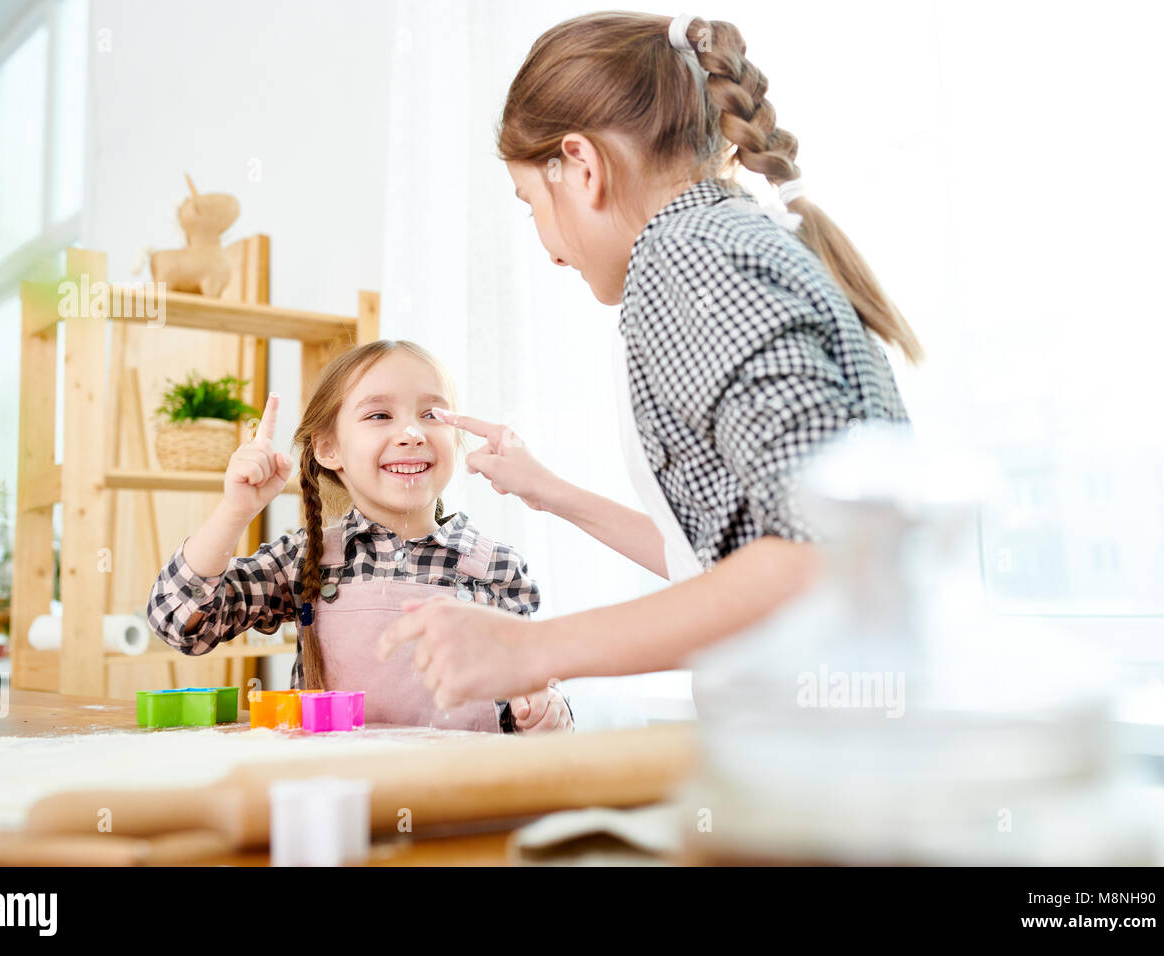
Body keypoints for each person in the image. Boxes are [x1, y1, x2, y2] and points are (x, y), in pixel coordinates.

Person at [378, 12, 919, 710]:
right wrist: (548, 491)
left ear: (581, 165)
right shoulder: (730, 239)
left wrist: (529, 648)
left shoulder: (685, 259)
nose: (547, 247)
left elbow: (827, 552)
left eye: (529, 204)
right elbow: (736, 559)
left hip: (829, 753)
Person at [146, 339, 573, 733]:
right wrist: (235, 511)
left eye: (432, 415)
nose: (412, 433)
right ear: (329, 449)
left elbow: (536, 709)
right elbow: (178, 623)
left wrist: (544, 715)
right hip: (337, 797)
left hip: (457, 801)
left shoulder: (496, 567)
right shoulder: (304, 559)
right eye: (379, 415)